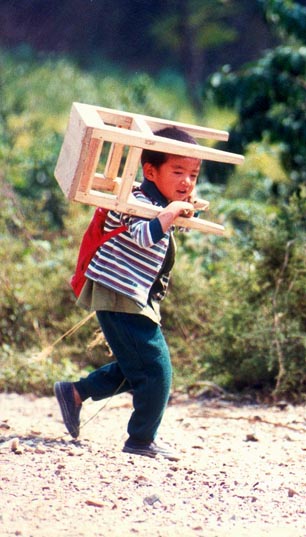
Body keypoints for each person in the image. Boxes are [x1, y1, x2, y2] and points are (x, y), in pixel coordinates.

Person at [54, 127, 201, 461]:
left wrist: (180, 208)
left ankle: (76, 393)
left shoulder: (159, 202)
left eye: (193, 175)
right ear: (150, 171)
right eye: (177, 172)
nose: (187, 182)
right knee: (156, 371)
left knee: (136, 367)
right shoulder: (135, 200)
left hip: (131, 295)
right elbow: (144, 237)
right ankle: (141, 439)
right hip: (120, 294)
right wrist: (172, 212)